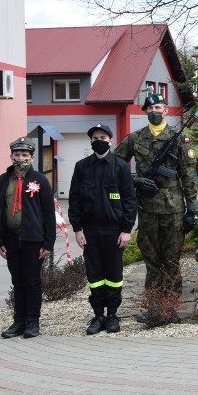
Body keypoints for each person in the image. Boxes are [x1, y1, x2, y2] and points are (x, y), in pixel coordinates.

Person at [114, 93, 197, 301]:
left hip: (173, 209)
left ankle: (170, 305)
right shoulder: (135, 138)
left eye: (158, 108)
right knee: (151, 260)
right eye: (150, 109)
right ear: (145, 112)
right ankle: (153, 305)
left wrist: (192, 210)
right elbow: (113, 165)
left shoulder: (179, 139)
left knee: (171, 261)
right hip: (147, 208)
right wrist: (135, 181)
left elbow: (188, 176)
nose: (154, 112)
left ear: (166, 110)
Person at [69, 123, 137, 334]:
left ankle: (113, 316)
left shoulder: (120, 166)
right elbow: (74, 200)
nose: (99, 140)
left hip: (114, 232)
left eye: (103, 137)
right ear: (91, 141)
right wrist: (77, 229)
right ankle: (98, 316)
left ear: (110, 140)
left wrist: (126, 230)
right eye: (95, 137)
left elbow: (129, 201)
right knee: (95, 277)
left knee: (114, 276)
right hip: (90, 232)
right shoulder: (81, 167)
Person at [0, 137, 55, 339]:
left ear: (32, 157)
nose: (20, 158)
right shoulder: (3, 180)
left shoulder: (40, 180)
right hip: (11, 239)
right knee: (17, 281)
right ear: (11, 156)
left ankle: (32, 322)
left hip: (33, 239)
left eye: (24, 155)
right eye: (17, 155)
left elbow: (48, 214)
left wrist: (48, 243)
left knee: (32, 281)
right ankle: (18, 321)